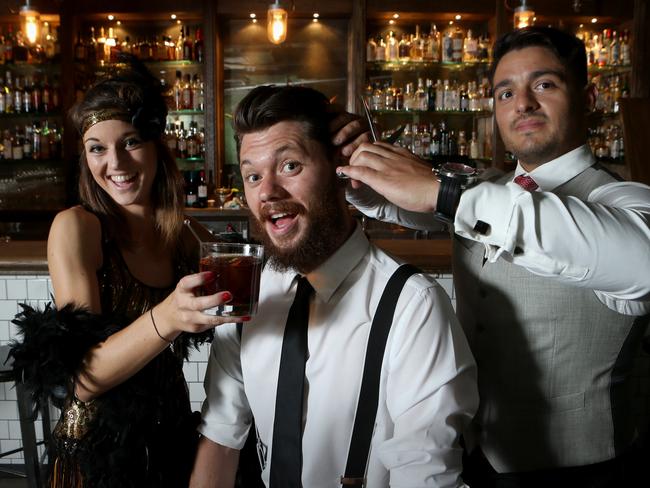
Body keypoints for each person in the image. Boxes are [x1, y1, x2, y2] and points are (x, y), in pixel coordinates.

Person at [337, 26, 650, 487]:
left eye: (544, 84)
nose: (522, 103)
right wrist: (352, 167)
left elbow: (637, 261)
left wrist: (441, 192)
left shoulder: (627, 203)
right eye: (505, 92)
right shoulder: (486, 190)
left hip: (583, 468)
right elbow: (397, 203)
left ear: (585, 96)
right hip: (476, 456)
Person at [189, 84, 478, 488]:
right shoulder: (250, 293)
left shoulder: (412, 307)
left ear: (340, 168)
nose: (268, 191)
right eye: (253, 175)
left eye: (289, 166)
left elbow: (426, 473)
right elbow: (221, 440)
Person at [9, 57, 241, 487]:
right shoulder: (78, 227)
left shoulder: (185, 233)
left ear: (156, 146)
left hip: (171, 440)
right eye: (97, 147)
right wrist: (169, 317)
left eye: (130, 141)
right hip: (100, 454)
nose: (114, 162)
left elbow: (253, 269)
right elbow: (83, 379)